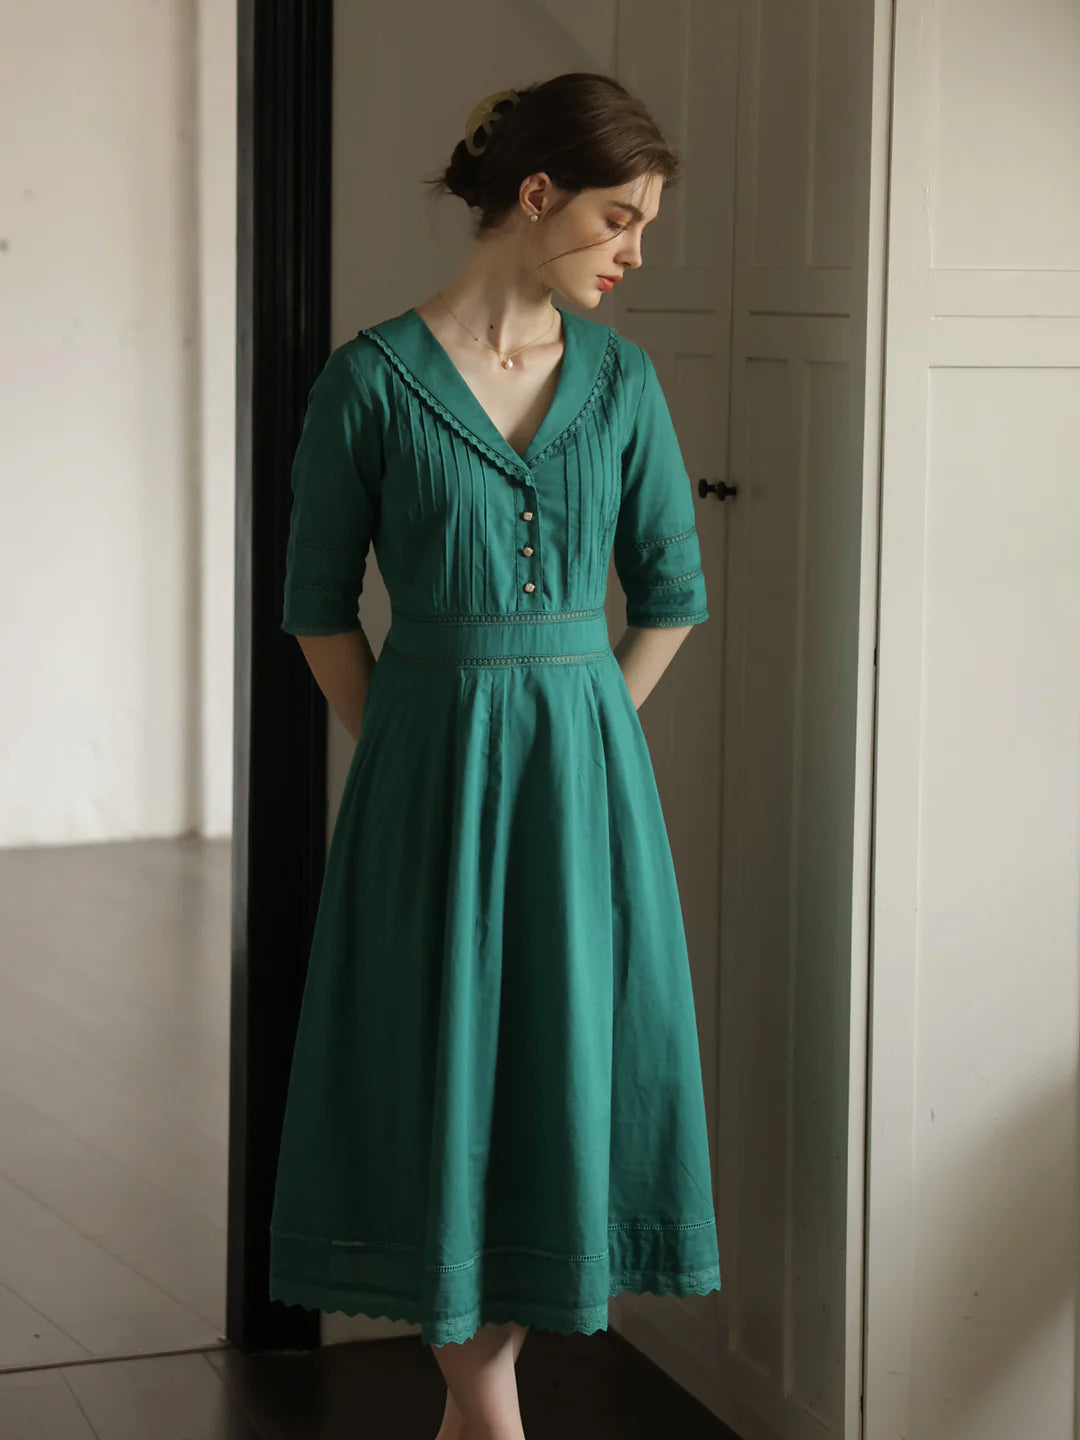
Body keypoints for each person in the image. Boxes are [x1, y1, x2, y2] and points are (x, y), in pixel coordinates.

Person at [268, 71, 721, 1440]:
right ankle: (487, 1404)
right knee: (441, 1072)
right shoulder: (369, 382)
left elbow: (672, 596)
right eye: (619, 219)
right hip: (426, 786)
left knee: (561, 1066)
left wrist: (587, 731)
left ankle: (483, 1407)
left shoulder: (623, 382)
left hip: (587, 791)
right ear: (538, 196)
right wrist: (413, 745)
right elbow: (316, 606)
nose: (634, 254)